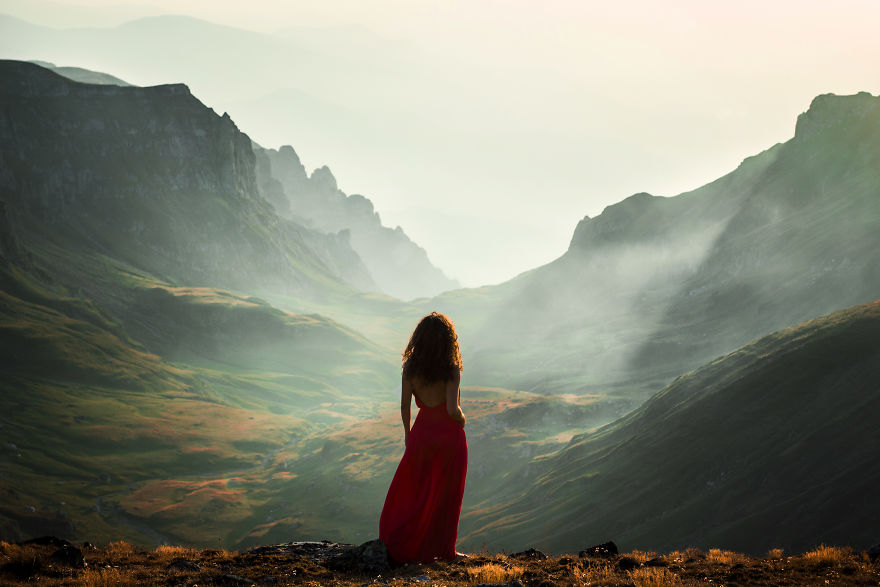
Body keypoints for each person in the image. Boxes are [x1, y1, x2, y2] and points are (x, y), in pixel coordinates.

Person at [379, 311, 468, 563]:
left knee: (413, 491)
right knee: (446, 494)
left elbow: (405, 407)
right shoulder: (452, 370)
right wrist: (462, 419)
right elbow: (452, 410)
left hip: (422, 434)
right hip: (449, 437)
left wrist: (408, 435)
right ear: (447, 340)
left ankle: (402, 542)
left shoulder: (410, 368)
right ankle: (444, 550)